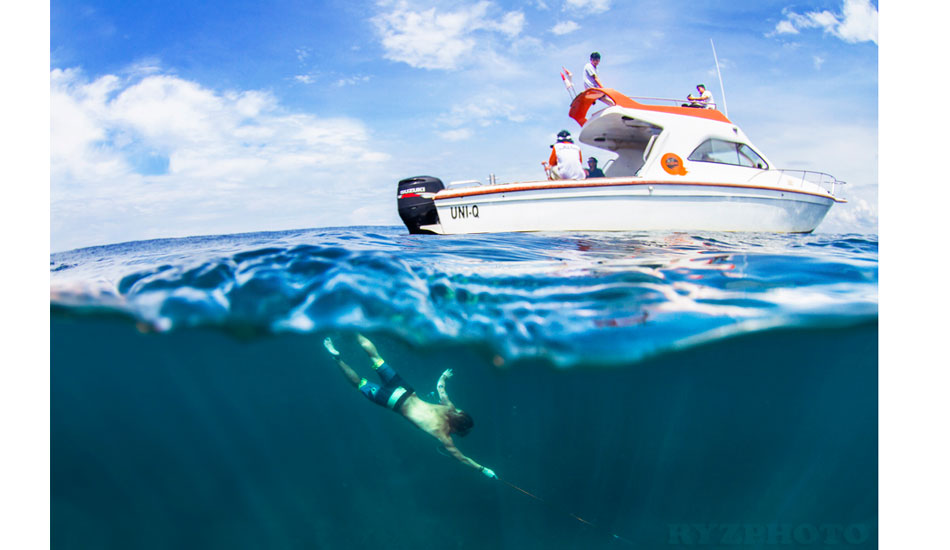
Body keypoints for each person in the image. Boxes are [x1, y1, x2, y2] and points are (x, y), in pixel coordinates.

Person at [323, 334, 498, 479]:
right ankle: (336, 357)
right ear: (457, 430)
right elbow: (462, 459)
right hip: (392, 402)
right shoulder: (444, 436)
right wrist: (483, 470)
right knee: (360, 383)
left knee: (377, 358)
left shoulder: (449, 409)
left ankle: (354, 332)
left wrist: (444, 376)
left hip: (404, 390)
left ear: (460, 416)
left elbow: (440, 388)